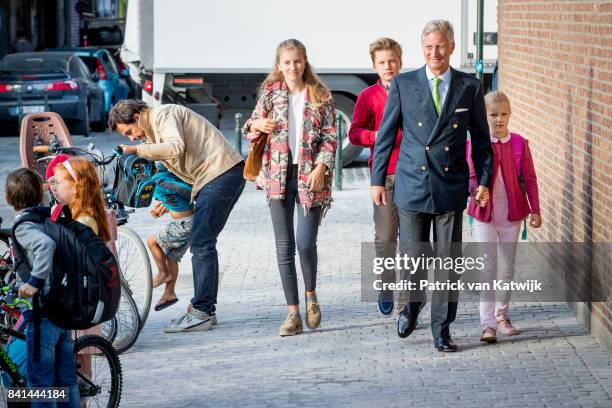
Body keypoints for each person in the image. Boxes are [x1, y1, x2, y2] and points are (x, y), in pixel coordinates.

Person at [371, 19, 494, 352]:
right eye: (428, 47)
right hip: (412, 183)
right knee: (413, 258)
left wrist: (484, 180)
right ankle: (411, 306)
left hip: (450, 185)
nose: (434, 52)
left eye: (440, 46)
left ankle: (442, 329)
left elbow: (482, 141)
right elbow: (385, 136)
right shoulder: (404, 84)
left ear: (451, 46)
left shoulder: (469, 86)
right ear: (421, 49)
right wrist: (377, 180)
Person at [108, 99, 245, 333]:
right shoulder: (152, 133)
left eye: (130, 131)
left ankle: (201, 311)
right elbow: (178, 164)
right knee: (204, 241)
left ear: (139, 115)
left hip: (220, 174)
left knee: (202, 242)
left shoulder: (164, 114)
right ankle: (205, 311)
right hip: (214, 178)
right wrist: (163, 200)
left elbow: (175, 147)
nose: (131, 138)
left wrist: (135, 150)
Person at [243, 39, 337, 336]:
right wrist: (257, 126)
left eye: (297, 61)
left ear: (304, 62)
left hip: (311, 176)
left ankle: (311, 295)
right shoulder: (271, 94)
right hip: (277, 177)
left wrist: (322, 167)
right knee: (284, 247)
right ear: (279, 65)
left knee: (306, 242)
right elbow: (249, 128)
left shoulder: (320, 95)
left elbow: (332, 136)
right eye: (286, 62)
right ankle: (293, 314)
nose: (292, 67)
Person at [467, 91, 542, 343]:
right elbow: (470, 176)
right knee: (488, 268)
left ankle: (502, 316)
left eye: (504, 114)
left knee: (507, 268)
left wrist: (536, 210)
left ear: (510, 114)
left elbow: (530, 179)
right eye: (493, 114)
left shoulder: (520, 143)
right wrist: (476, 193)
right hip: (484, 215)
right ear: (484, 116)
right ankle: (487, 325)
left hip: (512, 215)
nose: (499, 119)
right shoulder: (476, 144)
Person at [7, 168, 80, 408]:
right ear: (40, 195)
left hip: (42, 312)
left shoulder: (23, 226)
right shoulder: (47, 216)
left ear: (9, 200)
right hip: (62, 307)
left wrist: (34, 282)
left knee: (41, 385)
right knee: (65, 380)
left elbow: (45, 246)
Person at [348, 37, 405, 316]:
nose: (388, 66)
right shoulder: (368, 96)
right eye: (382, 62)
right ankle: (385, 285)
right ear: (374, 65)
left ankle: (409, 299)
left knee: (412, 239)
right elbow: (354, 132)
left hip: (413, 175)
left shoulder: (412, 90)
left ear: (401, 62)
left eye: (392, 60)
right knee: (385, 237)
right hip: (384, 176)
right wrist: (375, 136)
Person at [147, 167, 194, 312]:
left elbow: (183, 192)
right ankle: (169, 293)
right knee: (172, 256)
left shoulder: (158, 180)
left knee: (152, 241)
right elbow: (175, 195)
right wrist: (164, 206)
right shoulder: (171, 177)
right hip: (190, 222)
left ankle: (163, 273)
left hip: (184, 224)